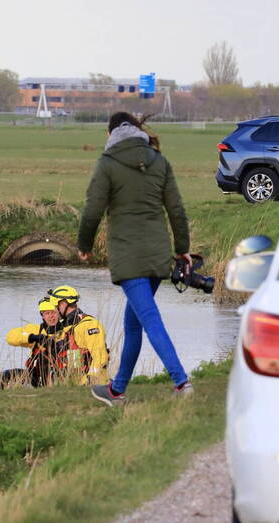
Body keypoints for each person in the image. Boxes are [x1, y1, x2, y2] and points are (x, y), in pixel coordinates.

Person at [78, 111, 193, 407]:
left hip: (129, 257)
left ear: (110, 134)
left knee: (150, 319)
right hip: (157, 256)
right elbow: (177, 210)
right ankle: (117, 391)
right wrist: (182, 249)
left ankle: (181, 381)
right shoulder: (159, 161)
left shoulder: (108, 164)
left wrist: (84, 244)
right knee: (133, 322)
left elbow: (93, 210)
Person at [48, 285, 109, 386]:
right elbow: (75, 360)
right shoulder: (68, 328)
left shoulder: (89, 324)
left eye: (56, 307)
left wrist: (90, 380)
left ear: (63, 304)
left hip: (94, 384)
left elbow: (100, 357)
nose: (55, 310)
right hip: (75, 385)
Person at [4, 295, 66, 387]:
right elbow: (10, 337)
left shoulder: (67, 331)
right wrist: (33, 337)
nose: (51, 316)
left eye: (53, 312)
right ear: (42, 315)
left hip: (62, 375)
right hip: (37, 377)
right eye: (47, 313)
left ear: (59, 314)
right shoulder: (36, 329)